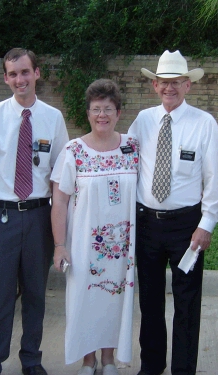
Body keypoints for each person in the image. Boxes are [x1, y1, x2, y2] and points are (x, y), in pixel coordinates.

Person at [0, 48, 69, 375]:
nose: (19, 79)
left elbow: (61, 176)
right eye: (12, 74)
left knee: (36, 295)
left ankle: (31, 360)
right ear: (6, 78)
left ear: (37, 73)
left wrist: (59, 233)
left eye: (25, 72)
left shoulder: (53, 118)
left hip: (39, 216)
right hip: (1, 218)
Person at [128, 50, 218, 375]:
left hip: (187, 226)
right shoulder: (141, 121)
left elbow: (214, 179)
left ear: (188, 86)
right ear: (155, 85)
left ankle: (184, 369)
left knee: (187, 302)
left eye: (177, 83)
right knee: (150, 302)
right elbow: (125, 162)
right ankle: (151, 366)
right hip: (147, 224)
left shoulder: (204, 124)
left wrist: (206, 224)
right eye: (164, 82)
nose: (170, 88)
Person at [51, 79, 139, 375]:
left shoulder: (132, 147)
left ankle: (109, 358)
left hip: (122, 248)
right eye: (96, 109)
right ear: (87, 113)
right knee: (85, 301)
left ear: (119, 112)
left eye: (109, 109)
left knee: (114, 301)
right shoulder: (73, 151)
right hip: (83, 245)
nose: (102, 115)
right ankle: (88, 361)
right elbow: (60, 201)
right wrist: (59, 244)